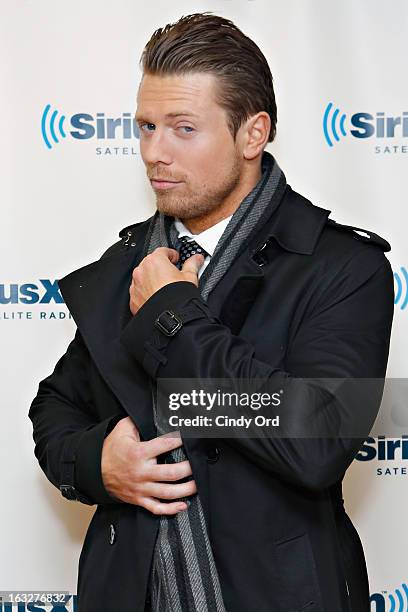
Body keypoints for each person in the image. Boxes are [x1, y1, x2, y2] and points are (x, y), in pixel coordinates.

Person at [28, 12, 394, 612]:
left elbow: (316, 440)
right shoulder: (130, 263)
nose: (153, 152)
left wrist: (172, 316)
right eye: (146, 126)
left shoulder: (342, 267)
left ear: (252, 134)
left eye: (183, 128)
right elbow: (55, 408)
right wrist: (98, 463)